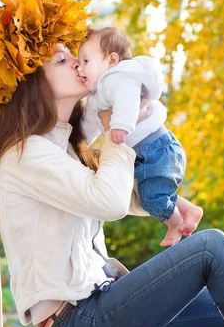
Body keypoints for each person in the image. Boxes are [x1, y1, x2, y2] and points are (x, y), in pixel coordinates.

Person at [0, 0, 224, 327]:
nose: (77, 61)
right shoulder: (25, 154)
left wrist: (165, 200)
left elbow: (100, 192)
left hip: (100, 310)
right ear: (31, 82)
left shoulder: (62, 149)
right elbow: (109, 201)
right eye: (62, 59)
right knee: (210, 250)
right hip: (78, 325)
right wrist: (115, 130)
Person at [78, 27, 202, 246]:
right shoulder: (98, 95)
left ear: (111, 60)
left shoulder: (118, 77)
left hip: (157, 148)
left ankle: (175, 224)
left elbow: (128, 100)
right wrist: (79, 145)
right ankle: (188, 210)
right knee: (149, 193)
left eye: (86, 61)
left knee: (151, 198)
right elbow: (88, 125)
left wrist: (120, 126)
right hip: (146, 152)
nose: (80, 67)